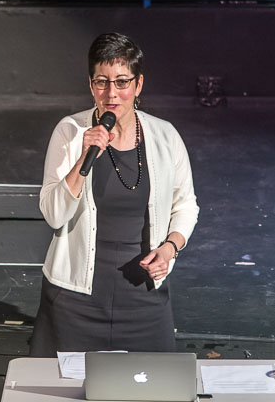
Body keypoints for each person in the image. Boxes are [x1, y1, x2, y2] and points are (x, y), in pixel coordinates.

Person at [29, 32, 199, 356]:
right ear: (90, 85)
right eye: (101, 82)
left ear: (138, 84)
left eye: (122, 82)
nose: (111, 94)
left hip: (143, 297)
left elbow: (186, 205)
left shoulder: (165, 136)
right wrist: (83, 158)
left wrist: (170, 248)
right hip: (74, 301)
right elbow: (53, 214)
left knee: (154, 381)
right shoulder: (70, 132)